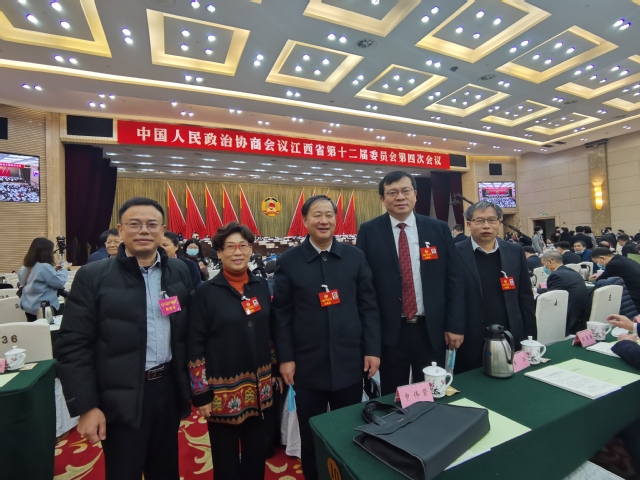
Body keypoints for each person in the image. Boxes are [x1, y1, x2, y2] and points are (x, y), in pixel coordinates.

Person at [56, 197, 194, 480]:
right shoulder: (93, 276)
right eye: (135, 224)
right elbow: (73, 344)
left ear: (162, 230)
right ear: (120, 230)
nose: (144, 230)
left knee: (165, 469)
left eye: (152, 224)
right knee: (124, 471)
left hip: (167, 389)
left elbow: (187, 331)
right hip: (119, 395)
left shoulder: (178, 271)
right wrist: (86, 406)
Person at [273, 195, 380, 480]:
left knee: (348, 430)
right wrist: (285, 358)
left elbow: (368, 306)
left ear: (336, 219)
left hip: (349, 360)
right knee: (312, 434)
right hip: (307, 365)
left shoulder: (355, 257)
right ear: (305, 220)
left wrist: (372, 349)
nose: (324, 220)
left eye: (329, 215)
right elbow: (281, 314)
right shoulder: (289, 261)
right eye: (317, 215)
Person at [356, 171, 464, 395]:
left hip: (430, 329)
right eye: (392, 193)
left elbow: (453, 279)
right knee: (392, 394)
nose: (400, 197)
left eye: (405, 191)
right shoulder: (369, 231)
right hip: (390, 331)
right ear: (382, 199)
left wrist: (454, 325)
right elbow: (364, 287)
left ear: (415, 194)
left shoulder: (438, 229)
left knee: (432, 391)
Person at [187, 222, 281, 480]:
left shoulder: (260, 285)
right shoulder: (205, 293)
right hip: (221, 392)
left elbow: (269, 333)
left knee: (256, 455)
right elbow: (194, 345)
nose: (238, 252)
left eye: (243, 246)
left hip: (259, 389)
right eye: (230, 247)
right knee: (225, 460)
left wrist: (274, 370)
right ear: (219, 252)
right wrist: (200, 393)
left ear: (250, 249)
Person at [455, 201, 537, 373]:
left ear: (499, 223)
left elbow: (525, 296)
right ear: (469, 225)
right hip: (468, 334)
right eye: (479, 221)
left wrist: (530, 336)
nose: (486, 226)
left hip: (509, 331)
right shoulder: (454, 252)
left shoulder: (514, 251)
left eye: (492, 220)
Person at [17, 237, 69, 321]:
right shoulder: (44, 267)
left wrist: (54, 270)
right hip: (43, 309)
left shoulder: (24, 268)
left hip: (29, 309)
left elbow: (36, 278)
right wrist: (64, 269)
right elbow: (59, 282)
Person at [540, 251, 589, 334]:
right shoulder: (571, 271)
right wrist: (535, 290)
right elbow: (556, 289)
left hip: (568, 313)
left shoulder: (556, 275)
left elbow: (551, 297)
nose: (543, 267)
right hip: (580, 311)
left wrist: (536, 296)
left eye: (543, 264)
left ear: (550, 262)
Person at [591, 247, 640, 312]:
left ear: (602, 258)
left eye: (597, 262)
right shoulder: (621, 259)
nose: (598, 265)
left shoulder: (612, 265)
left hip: (634, 298)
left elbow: (600, 281)